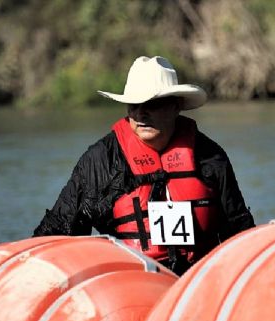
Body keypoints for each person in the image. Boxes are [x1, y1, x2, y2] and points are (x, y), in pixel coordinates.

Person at [33, 56, 255, 274]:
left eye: (152, 103)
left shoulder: (210, 157)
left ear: (176, 106)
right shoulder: (102, 160)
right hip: (132, 287)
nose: (141, 113)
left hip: (197, 286)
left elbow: (240, 233)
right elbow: (58, 231)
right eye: (134, 104)